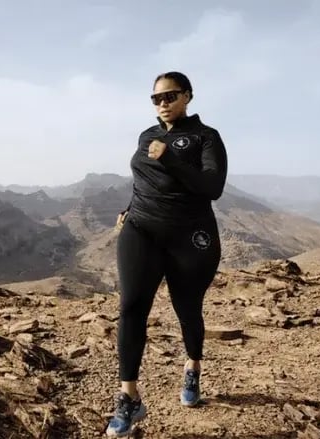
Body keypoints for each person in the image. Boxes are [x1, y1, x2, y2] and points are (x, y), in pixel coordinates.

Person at [106, 71, 228, 437]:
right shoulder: (148, 135)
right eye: (156, 98)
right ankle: (129, 397)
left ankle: (193, 368)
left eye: (170, 96)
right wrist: (129, 206)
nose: (162, 103)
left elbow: (213, 186)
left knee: (186, 308)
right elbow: (143, 176)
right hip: (141, 228)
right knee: (130, 307)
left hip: (190, 235)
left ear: (188, 96)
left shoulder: (207, 137)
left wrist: (171, 160)